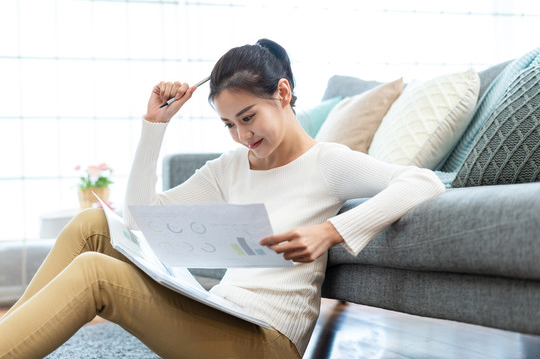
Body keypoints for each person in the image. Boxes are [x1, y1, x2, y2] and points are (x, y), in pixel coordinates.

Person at [0, 38, 445, 359]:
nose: (242, 135)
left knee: (94, 275)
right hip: (220, 310)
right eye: (229, 124)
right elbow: (140, 217)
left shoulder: (327, 162)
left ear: (283, 94)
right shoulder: (229, 168)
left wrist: (331, 232)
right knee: (92, 226)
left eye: (248, 117)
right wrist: (155, 126)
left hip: (267, 342)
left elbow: (423, 182)